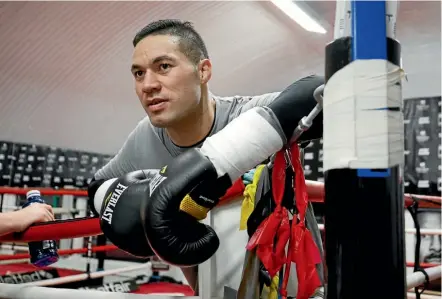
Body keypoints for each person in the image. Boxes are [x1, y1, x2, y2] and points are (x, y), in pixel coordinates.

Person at [88, 19, 324, 295]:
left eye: (164, 67)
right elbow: (97, 185)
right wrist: (133, 210)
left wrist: (214, 165)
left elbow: (323, 93)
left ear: (203, 71)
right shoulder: (147, 136)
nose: (148, 85)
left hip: (286, 286)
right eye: (139, 74)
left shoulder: (243, 116)